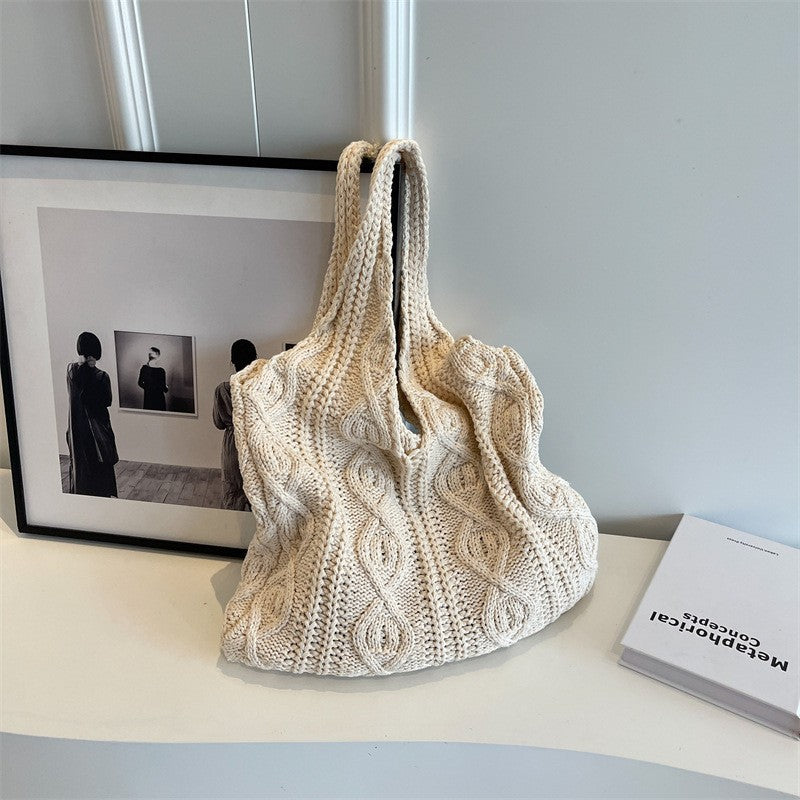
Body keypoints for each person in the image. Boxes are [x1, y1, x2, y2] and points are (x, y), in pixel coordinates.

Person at [65, 331, 119, 497]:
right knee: (101, 468)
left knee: (81, 466)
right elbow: (107, 401)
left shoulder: (71, 371)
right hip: (97, 431)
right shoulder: (102, 376)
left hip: (77, 430)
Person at [213, 339, 257, 511]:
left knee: (232, 491)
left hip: (233, 445)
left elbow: (218, 423)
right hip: (256, 442)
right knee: (256, 494)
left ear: (232, 361)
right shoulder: (261, 387)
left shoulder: (223, 390)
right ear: (255, 359)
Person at [137, 346, 168, 411]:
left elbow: (140, 383)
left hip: (148, 397)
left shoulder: (144, 368)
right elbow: (164, 389)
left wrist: (148, 388)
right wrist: (166, 387)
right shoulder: (161, 371)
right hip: (159, 399)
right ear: (158, 356)